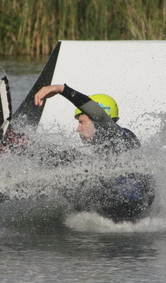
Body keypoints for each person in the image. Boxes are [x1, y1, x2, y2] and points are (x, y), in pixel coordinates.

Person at [33, 84, 155, 222]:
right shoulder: (112, 143)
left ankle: (21, 146)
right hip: (132, 204)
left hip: (126, 201)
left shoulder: (116, 135)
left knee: (69, 164)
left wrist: (62, 89)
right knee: (71, 160)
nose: (78, 129)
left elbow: (98, 114)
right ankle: (25, 146)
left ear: (96, 121)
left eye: (81, 122)